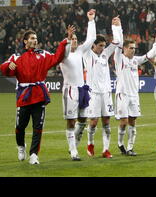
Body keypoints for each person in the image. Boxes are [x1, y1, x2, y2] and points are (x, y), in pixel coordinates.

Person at [0, 26, 74, 164]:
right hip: (24, 96)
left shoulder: (43, 54)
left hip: (39, 95)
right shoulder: (16, 56)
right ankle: (21, 146)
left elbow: (57, 57)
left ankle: (34, 154)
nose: (35, 41)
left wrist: (66, 41)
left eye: (36, 39)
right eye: (32, 38)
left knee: (38, 127)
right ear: (25, 41)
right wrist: (8, 65)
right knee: (20, 127)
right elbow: (3, 68)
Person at [113, 25, 156, 156]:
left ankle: (130, 148)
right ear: (124, 49)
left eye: (134, 48)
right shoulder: (119, 59)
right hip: (122, 94)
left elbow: (150, 55)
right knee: (123, 122)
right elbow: (117, 42)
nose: (133, 50)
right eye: (130, 48)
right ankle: (120, 143)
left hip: (134, 95)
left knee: (133, 121)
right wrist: (117, 27)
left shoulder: (136, 60)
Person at [59, 9, 96, 161]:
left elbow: (92, 38)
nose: (74, 40)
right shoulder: (64, 54)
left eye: (75, 38)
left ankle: (74, 144)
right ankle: (73, 151)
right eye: (71, 39)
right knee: (71, 121)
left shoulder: (80, 51)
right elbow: (64, 51)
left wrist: (91, 20)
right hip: (70, 91)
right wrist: (67, 38)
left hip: (82, 89)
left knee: (82, 120)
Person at [83, 16, 122, 158]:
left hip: (106, 93)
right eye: (100, 45)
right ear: (93, 45)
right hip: (93, 94)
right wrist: (91, 21)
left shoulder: (105, 54)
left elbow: (117, 42)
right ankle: (90, 143)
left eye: (104, 46)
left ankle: (106, 149)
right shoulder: (87, 54)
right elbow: (90, 38)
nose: (102, 48)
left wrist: (116, 27)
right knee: (93, 121)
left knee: (106, 120)